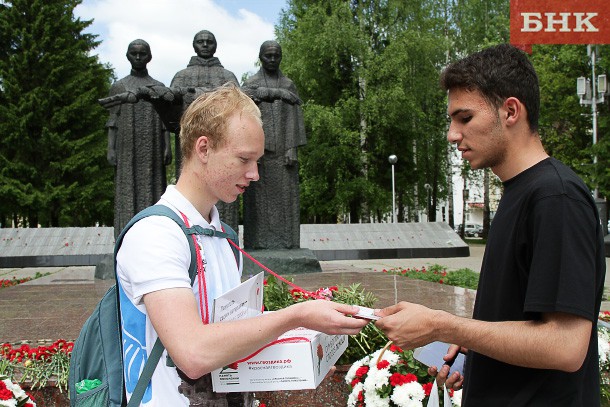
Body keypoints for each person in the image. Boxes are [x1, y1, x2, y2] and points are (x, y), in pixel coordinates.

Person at [376, 44, 606, 406]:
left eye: (464, 118)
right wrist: (474, 350)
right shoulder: (521, 191)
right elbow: (523, 319)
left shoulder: (555, 198)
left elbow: (565, 346)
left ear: (511, 110)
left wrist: (443, 325)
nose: (452, 134)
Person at [116, 83, 368, 406]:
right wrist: (297, 316)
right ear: (203, 149)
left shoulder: (221, 235)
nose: (255, 174)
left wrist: (307, 347)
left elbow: (231, 337)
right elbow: (192, 352)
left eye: (258, 161)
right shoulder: (156, 234)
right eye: (244, 159)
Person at [103, 39, 171, 238]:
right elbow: (112, 119)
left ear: (149, 57)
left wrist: (167, 147)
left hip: (152, 148)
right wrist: (111, 148)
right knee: (127, 189)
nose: (138, 57)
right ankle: (125, 235)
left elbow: (165, 121)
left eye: (142, 53)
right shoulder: (119, 86)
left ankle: (155, 236)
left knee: (154, 188)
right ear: (127, 56)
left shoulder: (158, 86)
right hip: (127, 146)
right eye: (134, 53)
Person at [241, 40, 306, 250]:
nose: (272, 59)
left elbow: (295, 118)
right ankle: (258, 244)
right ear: (261, 57)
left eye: (275, 55)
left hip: (284, 152)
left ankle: (287, 245)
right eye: (268, 55)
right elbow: (242, 115)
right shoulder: (251, 84)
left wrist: (292, 148)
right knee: (259, 201)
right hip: (258, 156)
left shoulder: (288, 84)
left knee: (285, 201)